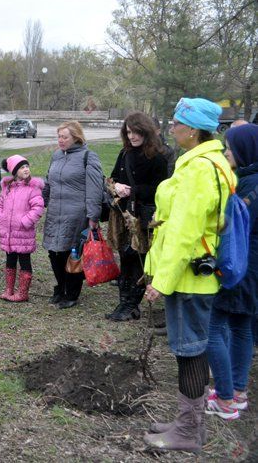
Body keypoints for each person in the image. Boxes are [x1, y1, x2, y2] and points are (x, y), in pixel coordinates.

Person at [143, 98, 232, 453]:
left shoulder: (199, 169)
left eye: (176, 123)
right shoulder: (208, 162)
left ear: (192, 130)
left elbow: (183, 232)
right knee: (189, 350)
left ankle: (188, 431)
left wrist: (160, 281)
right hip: (192, 273)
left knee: (190, 351)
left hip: (188, 277)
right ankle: (188, 424)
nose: (172, 128)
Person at [205, 124, 258, 420]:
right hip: (253, 267)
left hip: (240, 264)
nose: (226, 152)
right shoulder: (250, 179)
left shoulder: (248, 186)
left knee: (214, 327)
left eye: (230, 148)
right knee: (241, 327)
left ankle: (224, 398)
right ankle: (238, 392)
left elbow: (232, 227)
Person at [105, 112, 169, 321]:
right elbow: (113, 177)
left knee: (137, 260)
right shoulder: (125, 153)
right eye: (129, 132)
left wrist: (132, 190)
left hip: (142, 217)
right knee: (125, 257)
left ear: (145, 131)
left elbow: (158, 189)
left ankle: (131, 304)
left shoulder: (157, 156)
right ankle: (126, 305)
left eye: (136, 132)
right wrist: (115, 186)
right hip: (123, 214)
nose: (132, 136)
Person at [42, 120, 104, 309]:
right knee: (54, 252)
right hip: (55, 212)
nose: (60, 140)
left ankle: (72, 293)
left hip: (77, 214)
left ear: (76, 137)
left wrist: (93, 216)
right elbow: (48, 181)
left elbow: (95, 188)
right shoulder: (56, 156)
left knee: (72, 253)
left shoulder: (88, 157)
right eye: (59, 136)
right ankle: (61, 287)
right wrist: (40, 201)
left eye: (64, 137)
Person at [0, 154, 44, 302]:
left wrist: (26, 221)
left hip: (23, 232)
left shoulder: (32, 188)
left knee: (24, 260)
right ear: (14, 171)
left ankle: (23, 292)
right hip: (8, 233)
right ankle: (9, 289)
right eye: (22, 167)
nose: (26, 169)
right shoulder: (7, 188)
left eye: (27, 166)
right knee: (10, 260)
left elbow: (38, 207)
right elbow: (0, 205)